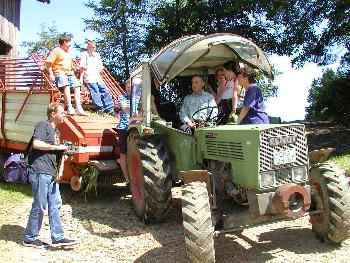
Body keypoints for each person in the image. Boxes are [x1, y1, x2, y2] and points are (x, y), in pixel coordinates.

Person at [23, 103, 78, 248]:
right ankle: (29, 238)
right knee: (40, 205)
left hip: (51, 173)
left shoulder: (57, 132)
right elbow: (36, 143)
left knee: (55, 205)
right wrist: (56, 147)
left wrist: (59, 171)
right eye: (62, 112)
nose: (64, 115)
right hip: (40, 170)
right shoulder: (43, 125)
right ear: (53, 113)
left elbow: (58, 154)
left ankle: (58, 237)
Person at [46, 35, 87, 116]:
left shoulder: (68, 53)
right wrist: (51, 74)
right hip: (59, 73)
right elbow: (48, 63)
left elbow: (72, 66)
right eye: (69, 43)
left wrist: (78, 68)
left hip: (70, 73)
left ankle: (78, 107)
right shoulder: (56, 51)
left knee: (77, 86)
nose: (70, 46)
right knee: (66, 85)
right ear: (64, 42)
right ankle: (69, 107)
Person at [79, 40, 114, 115]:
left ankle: (109, 109)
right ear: (88, 47)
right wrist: (81, 78)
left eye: (94, 47)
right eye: (92, 47)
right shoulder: (84, 54)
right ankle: (100, 108)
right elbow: (82, 67)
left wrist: (99, 75)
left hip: (97, 76)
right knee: (95, 91)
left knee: (105, 90)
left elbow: (100, 67)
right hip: (89, 76)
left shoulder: (97, 55)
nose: (93, 49)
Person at [115, 80, 131, 182]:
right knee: (124, 153)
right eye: (128, 86)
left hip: (136, 126)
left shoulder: (138, 98)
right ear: (125, 87)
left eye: (132, 86)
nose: (130, 87)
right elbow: (126, 109)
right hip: (124, 128)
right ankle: (127, 178)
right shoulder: (121, 98)